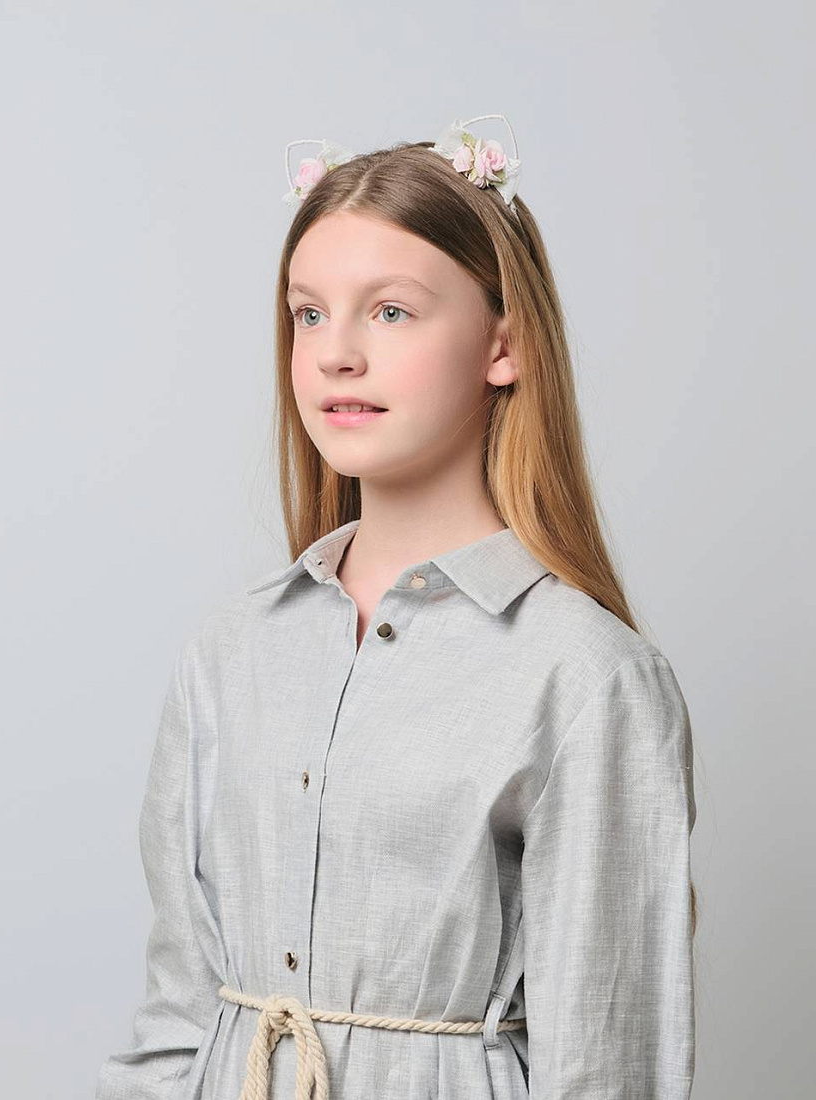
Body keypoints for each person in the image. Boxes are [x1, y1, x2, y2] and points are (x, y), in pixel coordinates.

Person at [95, 114, 699, 1100]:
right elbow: (177, 1021)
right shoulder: (230, 652)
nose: (336, 353)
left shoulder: (587, 678)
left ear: (503, 344)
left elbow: (605, 1062)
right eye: (308, 314)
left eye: (389, 311)